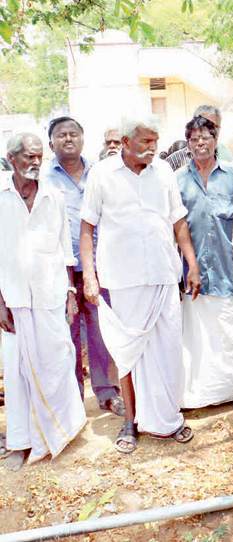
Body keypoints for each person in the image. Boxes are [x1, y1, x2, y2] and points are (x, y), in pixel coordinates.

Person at [79, 114, 201, 454]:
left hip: (164, 275)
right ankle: (130, 422)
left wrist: (191, 264)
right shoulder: (102, 174)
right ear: (127, 141)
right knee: (130, 352)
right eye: (146, 141)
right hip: (123, 279)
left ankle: (170, 419)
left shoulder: (163, 171)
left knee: (168, 351)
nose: (153, 148)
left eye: (155, 141)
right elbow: (87, 228)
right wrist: (89, 276)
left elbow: (178, 222)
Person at [0, 133, 86, 471]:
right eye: (29, 157)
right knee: (17, 372)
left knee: (58, 362)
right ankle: (21, 443)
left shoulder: (53, 195)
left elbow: (65, 247)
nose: (35, 163)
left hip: (51, 296)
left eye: (38, 157)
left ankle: (61, 433)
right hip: (14, 300)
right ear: (11, 158)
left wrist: (70, 293)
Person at [176, 116, 233, 411]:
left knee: (230, 333)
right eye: (193, 138)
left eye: (205, 137)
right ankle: (200, 395)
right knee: (197, 336)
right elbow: (177, 225)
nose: (200, 143)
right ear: (187, 143)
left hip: (228, 268)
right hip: (193, 272)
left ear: (216, 140)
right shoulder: (178, 179)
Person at [43, 116, 124, 416]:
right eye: (61, 135)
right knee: (68, 332)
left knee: (100, 331)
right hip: (58, 268)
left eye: (73, 134)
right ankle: (73, 396)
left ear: (83, 139)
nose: (68, 139)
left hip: (98, 263)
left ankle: (106, 392)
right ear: (51, 142)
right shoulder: (44, 178)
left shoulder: (99, 173)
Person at [166, 105, 233, 170]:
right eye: (206, 126)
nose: (210, 131)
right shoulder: (175, 161)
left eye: (215, 127)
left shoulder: (227, 157)